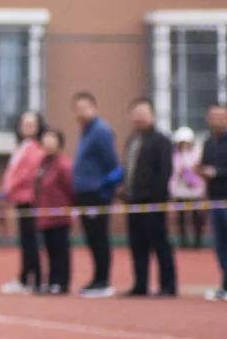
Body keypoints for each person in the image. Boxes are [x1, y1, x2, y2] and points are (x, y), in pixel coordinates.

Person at [119, 99, 176, 298]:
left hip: (152, 203)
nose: (139, 118)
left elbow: (165, 172)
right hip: (132, 202)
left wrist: (158, 199)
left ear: (152, 115)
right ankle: (140, 284)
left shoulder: (161, 140)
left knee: (160, 243)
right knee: (137, 245)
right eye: (135, 114)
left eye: (143, 113)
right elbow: (128, 169)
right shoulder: (132, 140)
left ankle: (168, 285)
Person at [71, 92, 122, 298]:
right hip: (84, 193)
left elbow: (113, 164)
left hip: (96, 194)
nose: (82, 112)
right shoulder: (85, 131)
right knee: (91, 237)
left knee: (99, 236)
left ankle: (103, 280)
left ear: (94, 108)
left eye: (86, 107)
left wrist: (105, 188)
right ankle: (97, 278)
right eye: (78, 108)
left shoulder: (101, 131)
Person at [1, 111, 46, 294]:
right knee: (26, 240)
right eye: (24, 123)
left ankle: (32, 279)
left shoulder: (35, 148)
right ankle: (26, 276)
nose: (27, 127)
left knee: (30, 240)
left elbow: (27, 174)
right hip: (19, 198)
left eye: (31, 124)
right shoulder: (21, 147)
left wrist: (11, 186)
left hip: (28, 199)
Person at [35, 128, 74, 295]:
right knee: (49, 250)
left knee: (60, 250)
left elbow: (70, 188)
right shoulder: (43, 163)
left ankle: (61, 282)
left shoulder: (64, 164)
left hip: (60, 216)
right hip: (44, 215)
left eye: (52, 140)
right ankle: (51, 280)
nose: (48, 143)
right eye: (45, 140)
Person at [201, 104, 227, 301]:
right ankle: (225, 284)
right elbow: (203, 165)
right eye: (213, 117)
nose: (216, 120)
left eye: (220, 117)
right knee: (219, 245)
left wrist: (217, 172)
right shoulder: (209, 142)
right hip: (214, 201)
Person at [170, 126, 205, 249]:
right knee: (181, 217)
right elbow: (173, 174)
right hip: (180, 191)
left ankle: (198, 241)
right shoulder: (175, 156)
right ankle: (183, 241)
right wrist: (172, 190)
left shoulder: (198, 153)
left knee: (197, 216)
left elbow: (200, 170)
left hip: (195, 190)